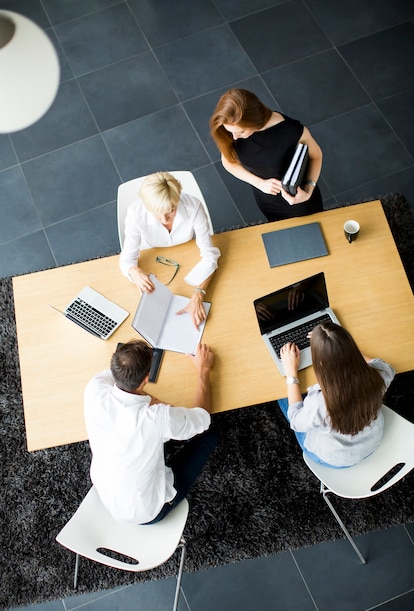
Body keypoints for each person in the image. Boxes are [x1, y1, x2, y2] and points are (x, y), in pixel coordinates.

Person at [84, 339, 219, 525]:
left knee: (161, 432)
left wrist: (153, 403)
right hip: (146, 510)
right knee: (211, 431)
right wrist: (203, 369)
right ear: (147, 378)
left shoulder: (95, 388)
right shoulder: (156, 418)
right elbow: (203, 417)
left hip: (108, 492)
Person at [278, 321, 395, 468]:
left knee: (282, 394)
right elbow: (385, 365)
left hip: (336, 459)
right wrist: (337, 347)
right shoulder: (378, 376)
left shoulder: (319, 403)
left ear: (321, 362)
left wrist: (291, 372)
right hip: (372, 442)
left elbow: (295, 421)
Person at [119, 171, 221, 329]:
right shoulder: (135, 213)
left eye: (170, 211)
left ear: (178, 199)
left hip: (184, 254)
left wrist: (198, 294)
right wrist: (133, 270)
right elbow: (126, 259)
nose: (164, 220)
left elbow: (210, 256)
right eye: (157, 215)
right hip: (152, 256)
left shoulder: (193, 207)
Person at [209, 88, 324, 222]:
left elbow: (316, 156)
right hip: (265, 197)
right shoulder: (231, 131)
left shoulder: (291, 131)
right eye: (230, 132)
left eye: (240, 132)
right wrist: (259, 183)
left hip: (299, 197)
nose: (234, 138)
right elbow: (228, 162)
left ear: (253, 121)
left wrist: (309, 191)